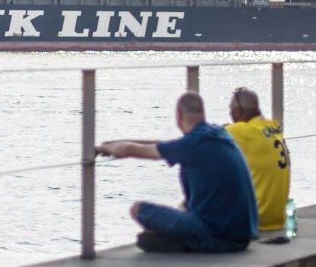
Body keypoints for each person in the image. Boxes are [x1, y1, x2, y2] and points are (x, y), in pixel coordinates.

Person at [96, 91, 258, 253]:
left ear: (178, 115)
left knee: (139, 210)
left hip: (220, 236)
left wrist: (103, 148)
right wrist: (116, 142)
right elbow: (163, 144)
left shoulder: (191, 144)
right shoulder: (218, 134)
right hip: (243, 235)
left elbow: (128, 150)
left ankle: (182, 240)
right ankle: (178, 239)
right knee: (184, 205)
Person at [225, 87, 291, 235]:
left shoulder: (241, 131)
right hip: (279, 218)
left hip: (256, 219)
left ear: (237, 112)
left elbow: (207, 134)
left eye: (230, 110)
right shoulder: (274, 126)